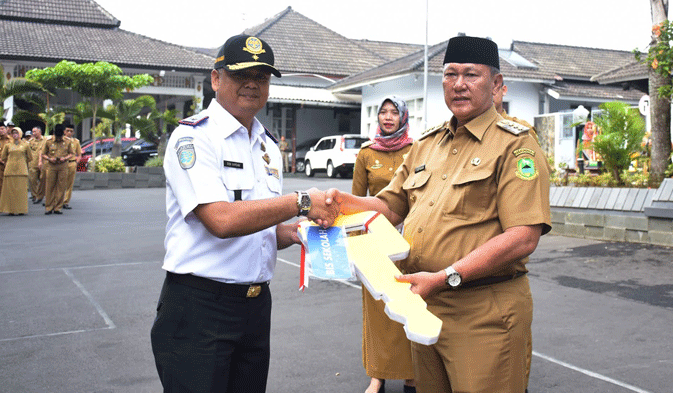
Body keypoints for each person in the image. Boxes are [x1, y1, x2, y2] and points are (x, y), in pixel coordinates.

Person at [327, 36, 551, 393]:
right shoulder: (428, 144)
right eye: (450, 74)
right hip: (425, 307)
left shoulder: (515, 145)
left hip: (484, 313)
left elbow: (523, 236)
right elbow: (388, 207)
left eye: (470, 75)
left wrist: (446, 276)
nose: (458, 84)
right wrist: (335, 201)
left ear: (495, 84)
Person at [150, 34, 338, 393]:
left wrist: (300, 232)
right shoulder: (193, 139)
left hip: (254, 308)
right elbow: (221, 220)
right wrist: (301, 202)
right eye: (241, 74)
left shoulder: (267, 145)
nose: (253, 83)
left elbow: (261, 229)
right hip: (199, 308)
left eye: (262, 76)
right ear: (216, 79)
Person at [353, 96, 415, 393]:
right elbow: (355, 201)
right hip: (375, 240)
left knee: (408, 303)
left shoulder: (417, 150)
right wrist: (354, 243)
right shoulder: (366, 153)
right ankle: (377, 375)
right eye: (383, 112)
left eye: (394, 112)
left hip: (410, 240)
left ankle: (411, 373)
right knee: (377, 306)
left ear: (403, 116)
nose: (388, 117)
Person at [41, 124, 74, 215]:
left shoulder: (67, 142)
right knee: (50, 187)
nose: (59, 138)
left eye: (60, 136)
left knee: (61, 187)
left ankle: (58, 207)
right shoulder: (49, 141)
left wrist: (65, 158)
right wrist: (49, 158)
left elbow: (71, 153)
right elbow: (43, 154)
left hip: (63, 166)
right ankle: (48, 207)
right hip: (51, 166)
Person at [0, 127, 32, 215]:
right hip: (10, 170)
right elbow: (3, 157)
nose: (15, 135)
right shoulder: (8, 145)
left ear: (20, 134)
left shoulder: (25, 145)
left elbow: (30, 157)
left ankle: (21, 209)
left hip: (21, 171)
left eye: (16, 133)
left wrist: (21, 162)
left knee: (21, 191)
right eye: (13, 133)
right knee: (10, 191)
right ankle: (11, 210)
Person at [62, 124, 80, 209]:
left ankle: (65, 202)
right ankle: (57, 200)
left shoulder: (76, 141)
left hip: (72, 163)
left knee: (69, 184)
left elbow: (79, 154)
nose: (69, 132)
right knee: (60, 183)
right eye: (67, 131)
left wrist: (76, 162)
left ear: (73, 132)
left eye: (71, 131)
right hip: (62, 163)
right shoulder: (61, 140)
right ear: (64, 131)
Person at [28, 126, 45, 204]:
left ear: (39, 132)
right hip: (33, 164)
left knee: (43, 180)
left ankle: (40, 195)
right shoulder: (31, 141)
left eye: (35, 131)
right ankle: (35, 196)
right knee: (33, 181)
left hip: (43, 164)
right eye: (32, 131)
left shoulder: (45, 140)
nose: (33, 133)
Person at [0, 120, 10, 195]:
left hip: (9, 165)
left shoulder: (11, 140)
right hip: (0, 166)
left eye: (2, 128)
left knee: (9, 184)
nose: (1, 131)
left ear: (6, 129)